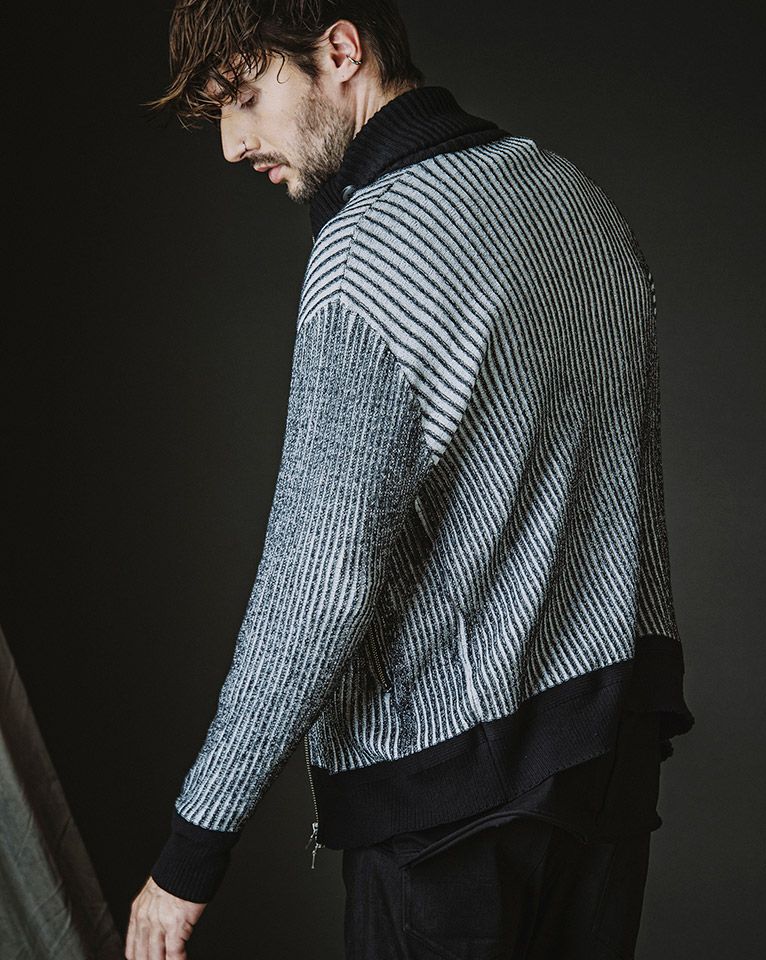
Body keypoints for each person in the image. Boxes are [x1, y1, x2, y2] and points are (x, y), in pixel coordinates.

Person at [125, 2, 695, 958]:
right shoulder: (575, 200)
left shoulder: (369, 255)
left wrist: (191, 854)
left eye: (247, 97)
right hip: (609, 765)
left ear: (341, 51)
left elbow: (317, 583)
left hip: (448, 810)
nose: (231, 143)